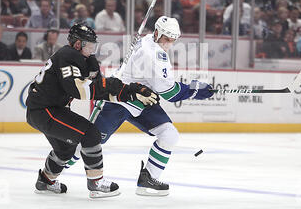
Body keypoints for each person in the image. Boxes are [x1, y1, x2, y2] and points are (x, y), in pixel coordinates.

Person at [66, 16, 213, 196]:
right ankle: (52, 173)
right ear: (157, 33)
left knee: (169, 135)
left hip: (142, 99)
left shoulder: (148, 40)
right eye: (167, 38)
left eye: (173, 40)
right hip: (117, 99)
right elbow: (170, 93)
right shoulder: (154, 55)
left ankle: (147, 180)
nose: (169, 43)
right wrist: (197, 89)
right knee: (90, 141)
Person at [26, 23, 158, 198]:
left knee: (65, 150)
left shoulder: (81, 59)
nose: (92, 49)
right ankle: (96, 182)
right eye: (89, 44)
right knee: (90, 133)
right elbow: (79, 90)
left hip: (46, 110)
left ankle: (46, 180)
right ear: (77, 44)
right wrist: (116, 86)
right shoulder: (68, 56)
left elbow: (102, 91)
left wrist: (129, 92)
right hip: (45, 111)